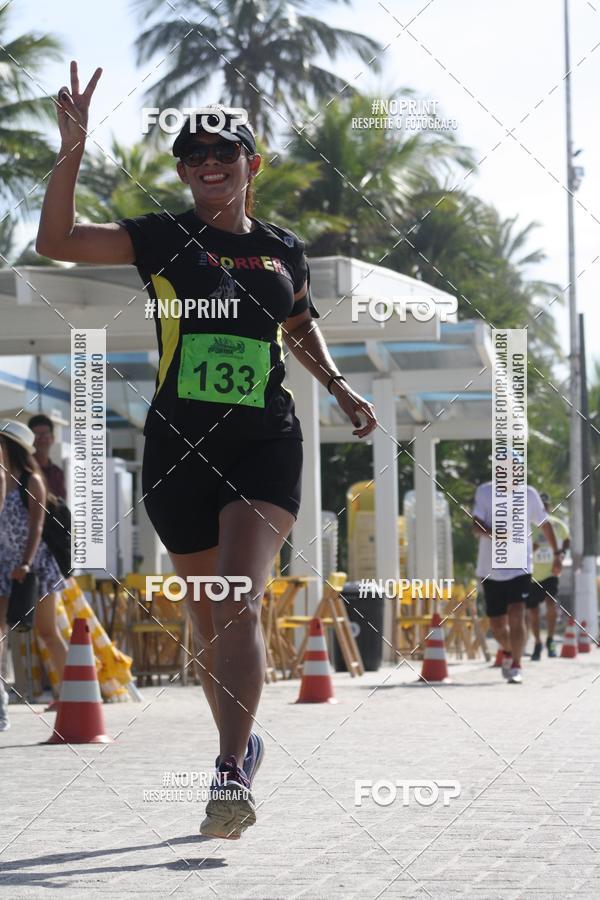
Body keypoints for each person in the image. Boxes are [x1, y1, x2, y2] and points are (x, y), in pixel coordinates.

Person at [35, 63, 378, 837]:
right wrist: (73, 148)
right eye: (193, 157)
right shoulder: (161, 238)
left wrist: (339, 385)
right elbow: (55, 240)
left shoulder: (284, 249)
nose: (208, 162)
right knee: (208, 620)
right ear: (185, 173)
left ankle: (226, 773)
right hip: (178, 451)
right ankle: (243, 745)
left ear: (252, 163)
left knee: (235, 596)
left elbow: (297, 323)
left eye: (224, 151)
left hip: (264, 444)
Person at [0, 420, 69, 730]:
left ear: (9, 446)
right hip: (4, 565)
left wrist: (26, 563)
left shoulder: (32, 480)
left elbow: (37, 527)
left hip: (35, 566)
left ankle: (72, 693)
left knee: (46, 631)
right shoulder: (3, 478)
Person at [472, 479, 562, 683]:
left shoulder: (529, 494)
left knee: (517, 611)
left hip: (520, 567)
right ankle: (508, 650)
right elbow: (475, 525)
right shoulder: (484, 492)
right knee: (496, 624)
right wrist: (494, 534)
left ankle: (516, 663)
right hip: (490, 569)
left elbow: (545, 525)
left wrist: (557, 554)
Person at [527, 492, 570, 660]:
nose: (543, 509)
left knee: (551, 605)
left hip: (551, 572)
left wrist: (562, 555)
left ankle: (550, 640)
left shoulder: (557, 525)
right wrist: (532, 548)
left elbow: (567, 539)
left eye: (545, 506)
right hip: (531, 574)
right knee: (533, 611)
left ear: (549, 507)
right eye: (540, 506)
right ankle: (537, 642)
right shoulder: (528, 525)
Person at [28, 414, 67, 501]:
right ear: (30, 439)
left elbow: (60, 504)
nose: (42, 439)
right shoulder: (22, 469)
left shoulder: (57, 473)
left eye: (45, 434)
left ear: (52, 438)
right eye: (37, 435)